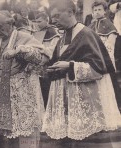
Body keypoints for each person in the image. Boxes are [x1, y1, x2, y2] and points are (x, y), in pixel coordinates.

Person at [0, 10, 50, 148]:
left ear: (11, 23)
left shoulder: (24, 37)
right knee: (6, 136)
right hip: (1, 93)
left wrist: (20, 51)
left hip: (23, 92)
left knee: (26, 135)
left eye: (0, 27)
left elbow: (41, 58)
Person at [42, 0, 121, 140]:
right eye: (52, 17)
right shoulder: (63, 36)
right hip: (66, 101)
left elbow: (98, 68)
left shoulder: (86, 34)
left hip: (85, 102)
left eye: (57, 16)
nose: (53, 21)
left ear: (71, 12)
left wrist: (70, 66)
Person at [31, 12, 60, 107]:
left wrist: (42, 50)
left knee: (47, 90)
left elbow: (53, 49)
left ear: (47, 21)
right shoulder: (36, 33)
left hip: (48, 65)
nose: (37, 24)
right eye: (36, 22)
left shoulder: (53, 33)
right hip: (37, 65)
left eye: (40, 21)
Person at [89, 0, 118, 69]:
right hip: (92, 55)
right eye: (95, 10)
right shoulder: (91, 26)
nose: (97, 12)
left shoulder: (109, 25)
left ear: (104, 11)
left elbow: (110, 45)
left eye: (99, 9)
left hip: (105, 55)